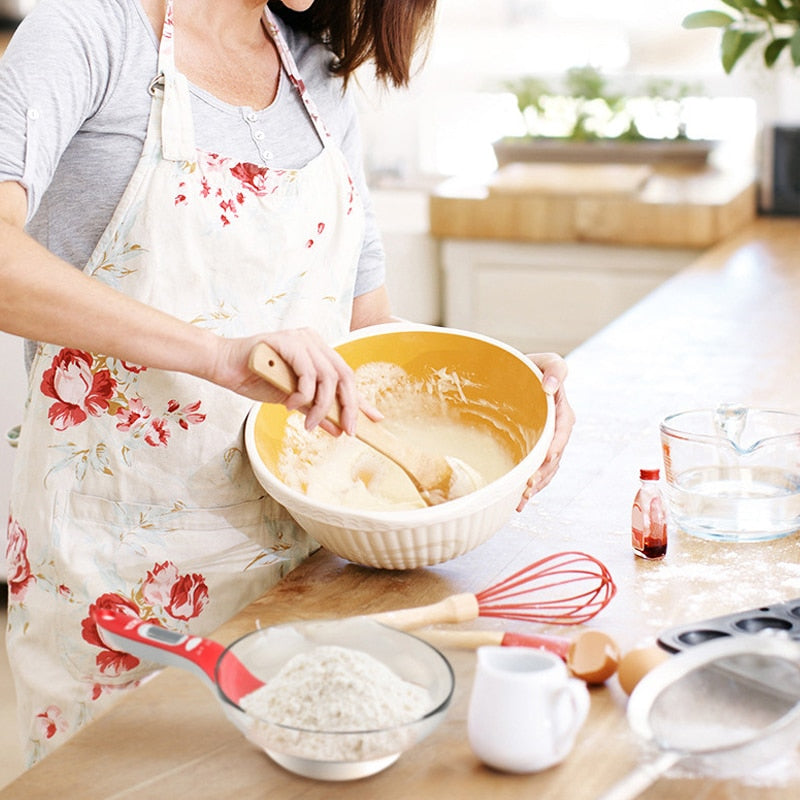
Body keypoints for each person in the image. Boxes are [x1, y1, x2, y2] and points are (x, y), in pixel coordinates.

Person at [0, 0, 575, 765]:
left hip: (304, 588)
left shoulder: (318, 79)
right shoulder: (88, 33)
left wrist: (508, 385)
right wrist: (217, 354)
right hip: (117, 586)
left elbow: (369, 341)